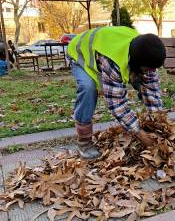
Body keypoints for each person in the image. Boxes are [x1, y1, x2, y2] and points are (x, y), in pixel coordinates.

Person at [67, 26, 166, 159]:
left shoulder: (144, 51)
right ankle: (84, 142)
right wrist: (139, 133)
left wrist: (158, 122)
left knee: (143, 79)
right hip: (79, 54)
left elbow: (152, 90)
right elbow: (117, 104)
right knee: (88, 88)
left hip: (114, 55)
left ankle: (148, 123)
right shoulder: (113, 61)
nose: (150, 71)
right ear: (137, 62)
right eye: (148, 68)